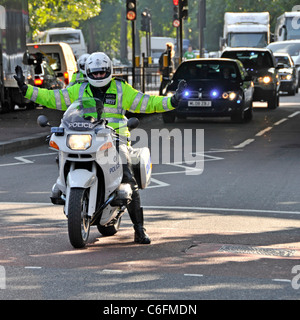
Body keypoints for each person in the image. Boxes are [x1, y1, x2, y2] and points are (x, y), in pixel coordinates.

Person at [14, 52, 186, 245]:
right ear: (88, 72)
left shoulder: (121, 89)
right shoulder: (78, 89)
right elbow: (52, 97)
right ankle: (65, 190)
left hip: (116, 139)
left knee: (128, 177)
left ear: (109, 71)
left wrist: (173, 101)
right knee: (61, 155)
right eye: (94, 73)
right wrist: (25, 88)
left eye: (101, 72)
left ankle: (139, 229)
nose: (98, 76)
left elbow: (147, 102)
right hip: (87, 137)